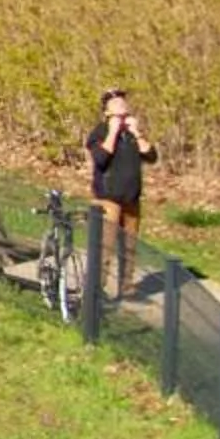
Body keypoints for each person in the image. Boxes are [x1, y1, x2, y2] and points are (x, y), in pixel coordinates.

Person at [82, 89, 157, 300]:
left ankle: (127, 288)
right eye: (116, 104)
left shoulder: (132, 134)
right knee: (105, 245)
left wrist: (137, 133)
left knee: (130, 246)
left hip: (131, 198)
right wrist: (113, 133)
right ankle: (96, 290)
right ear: (106, 112)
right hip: (108, 197)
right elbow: (100, 159)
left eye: (123, 103)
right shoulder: (100, 131)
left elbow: (151, 156)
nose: (121, 106)